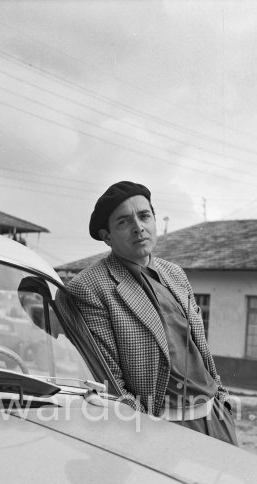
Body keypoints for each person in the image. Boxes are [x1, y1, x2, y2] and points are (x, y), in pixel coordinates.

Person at [66, 181, 237, 444]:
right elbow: (111, 380)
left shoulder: (175, 274)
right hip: (164, 425)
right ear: (107, 236)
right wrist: (147, 431)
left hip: (215, 415)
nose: (138, 227)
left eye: (144, 216)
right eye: (124, 222)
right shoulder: (91, 287)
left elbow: (199, 349)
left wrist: (222, 401)